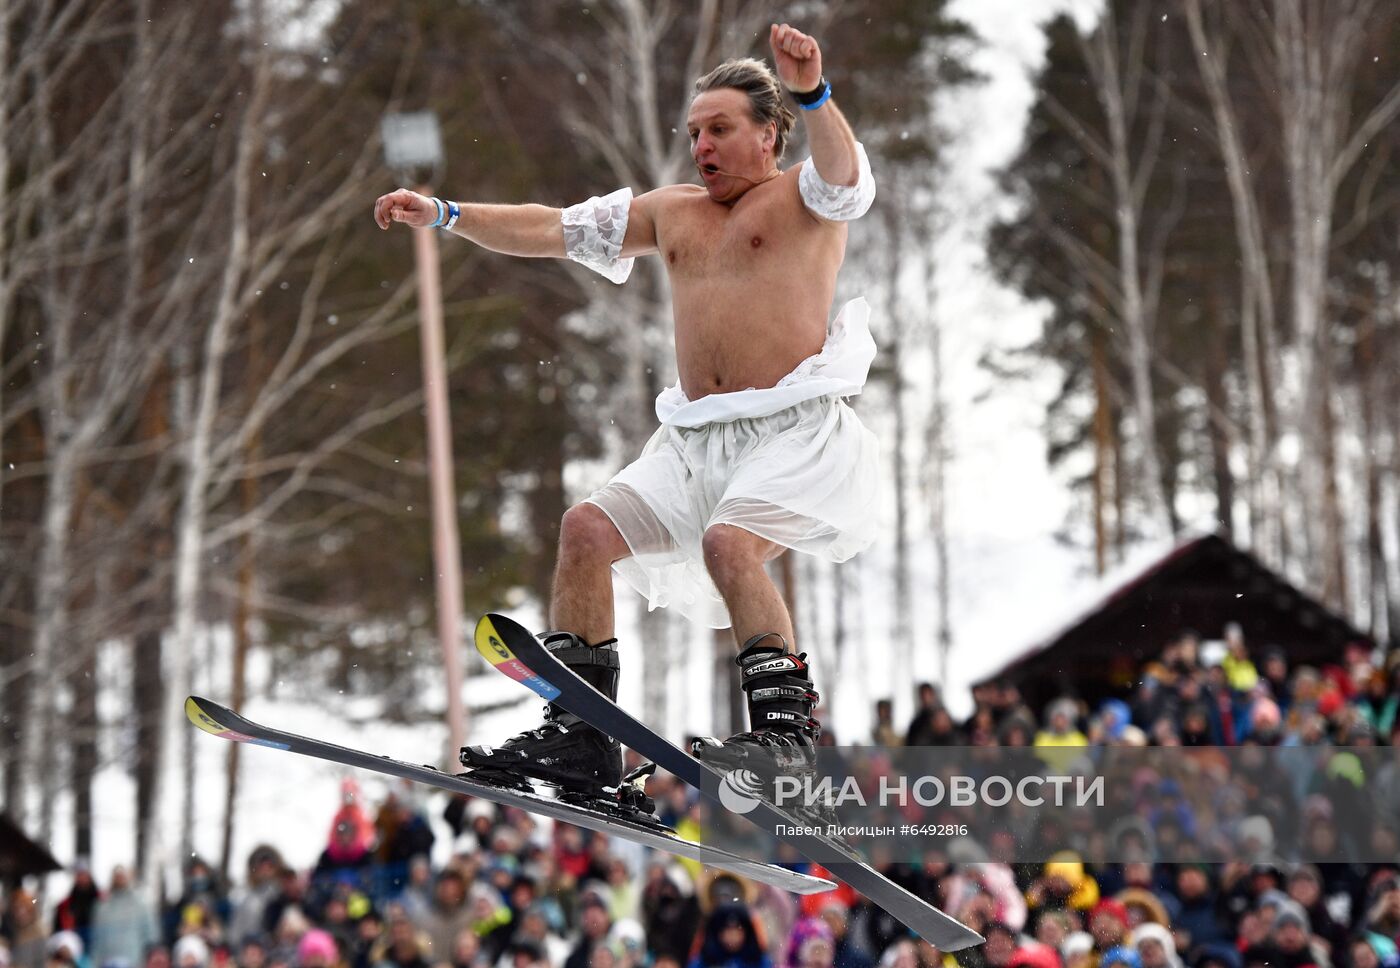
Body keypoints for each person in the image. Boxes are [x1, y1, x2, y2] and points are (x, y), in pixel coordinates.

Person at [374, 24, 878, 793]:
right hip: (694, 440)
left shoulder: (804, 196)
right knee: (585, 530)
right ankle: (581, 735)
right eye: (693, 133)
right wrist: (446, 212)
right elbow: (550, 227)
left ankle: (784, 744)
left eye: (719, 130)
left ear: (769, 133)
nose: (700, 146)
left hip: (793, 430)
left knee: (729, 547)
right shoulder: (670, 212)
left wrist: (812, 91)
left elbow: (846, 173)